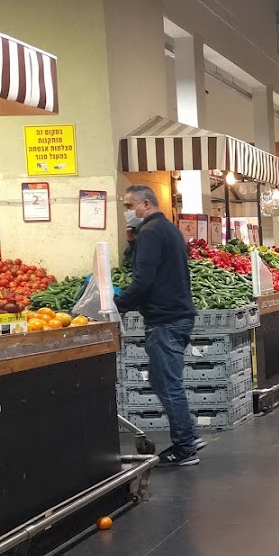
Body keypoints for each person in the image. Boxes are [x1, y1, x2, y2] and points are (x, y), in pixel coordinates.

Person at [115, 184, 200, 465]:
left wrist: (119, 305)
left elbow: (143, 280)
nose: (127, 212)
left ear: (146, 204)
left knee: (167, 383)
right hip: (178, 315)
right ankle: (189, 434)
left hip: (165, 319)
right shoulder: (168, 229)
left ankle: (185, 447)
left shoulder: (150, 233)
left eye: (129, 206)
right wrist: (133, 243)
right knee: (162, 380)